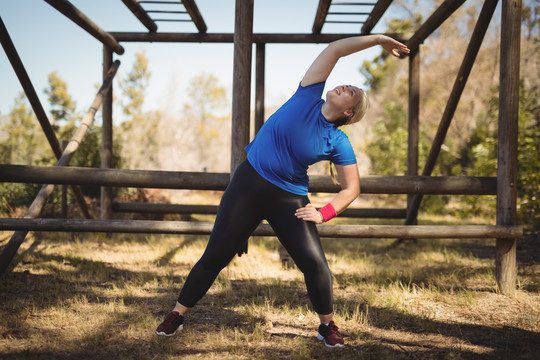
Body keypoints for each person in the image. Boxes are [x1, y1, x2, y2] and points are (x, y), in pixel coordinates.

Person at [156, 34, 410, 347]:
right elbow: (335, 50)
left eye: (352, 92)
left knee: (315, 264)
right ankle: (177, 314)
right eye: (346, 84)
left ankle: (327, 326)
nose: (345, 85)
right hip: (248, 184)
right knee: (215, 255)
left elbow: (352, 188)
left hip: (288, 198)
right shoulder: (308, 94)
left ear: (349, 112)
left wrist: (323, 212)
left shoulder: (338, 141)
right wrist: (378, 40)